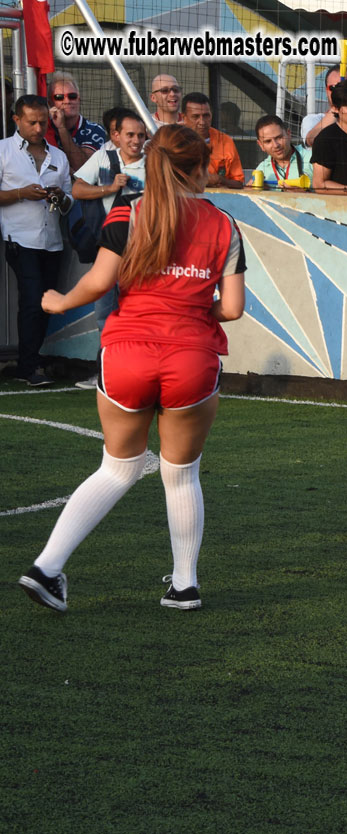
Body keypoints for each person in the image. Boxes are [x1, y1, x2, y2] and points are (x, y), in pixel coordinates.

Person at [20, 124, 246, 612]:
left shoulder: (129, 210)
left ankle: (47, 567)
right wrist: (190, 303)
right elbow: (232, 309)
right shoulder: (224, 224)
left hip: (126, 354)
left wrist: (58, 303)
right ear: (197, 168)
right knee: (181, 474)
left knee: (117, 468)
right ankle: (184, 585)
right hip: (191, 356)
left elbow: (99, 282)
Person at [71, 108, 149, 390]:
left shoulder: (153, 163)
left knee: (140, 312)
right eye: (130, 134)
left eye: (141, 135)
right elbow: (78, 189)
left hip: (143, 251)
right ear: (116, 136)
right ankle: (106, 371)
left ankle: (140, 372)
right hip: (109, 249)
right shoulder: (103, 158)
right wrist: (108, 188)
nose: (136, 140)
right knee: (106, 312)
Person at [0, 95, 74, 386]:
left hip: (52, 241)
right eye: (32, 122)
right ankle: (28, 366)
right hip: (18, 238)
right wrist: (21, 193)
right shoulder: (4, 151)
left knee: (46, 303)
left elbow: (69, 202)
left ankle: (31, 362)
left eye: (43, 121)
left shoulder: (58, 156)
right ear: (16, 119)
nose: (38, 127)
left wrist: (60, 196)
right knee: (32, 301)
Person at [45, 71, 106, 174]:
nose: (67, 101)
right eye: (59, 97)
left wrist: (62, 128)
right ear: (50, 103)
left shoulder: (94, 129)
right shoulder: (43, 128)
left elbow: (82, 168)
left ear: (79, 99)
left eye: (72, 96)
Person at [181, 93, 244, 189]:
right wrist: (201, 181)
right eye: (195, 117)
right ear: (183, 118)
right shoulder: (174, 141)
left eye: (206, 116)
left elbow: (238, 183)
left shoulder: (225, 141)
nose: (202, 122)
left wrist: (221, 179)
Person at [252, 115, 312, 189]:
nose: (275, 145)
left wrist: (305, 196)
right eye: (268, 141)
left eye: (279, 137)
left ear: (289, 134)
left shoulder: (312, 159)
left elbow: (328, 193)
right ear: (261, 145)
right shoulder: (261, 169)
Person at [301, 68, 347, 147]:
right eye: (333, 87)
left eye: (346, 87)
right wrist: (337, 108)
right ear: (326, 91)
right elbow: (312, 140)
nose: (339, 92)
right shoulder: (312, 120)